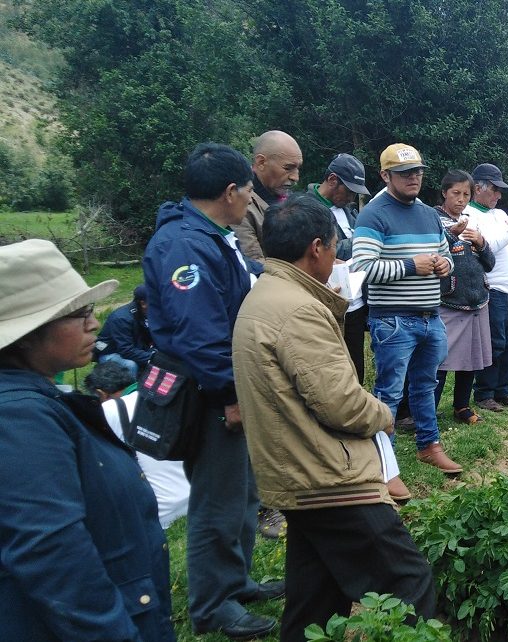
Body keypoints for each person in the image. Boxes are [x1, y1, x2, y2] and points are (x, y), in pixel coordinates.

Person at [234, 194, 436, 641]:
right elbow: (341, 403)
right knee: (408, 581)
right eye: (333, 247)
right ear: (316, 249)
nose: (336, 257)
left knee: (315, 600)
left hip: (296, 471)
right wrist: (382, 414)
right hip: (327, 477)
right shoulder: (299, 310)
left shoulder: (267, 294)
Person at [0, 239, 174, 641]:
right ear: (25, 334)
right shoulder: (19, 418)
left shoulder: (36, 401)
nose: (93, 324)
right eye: (78, 314)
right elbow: (53, 553)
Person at [143, 142, 282, 639]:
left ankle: (236, 580)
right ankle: (213, 604)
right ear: (229, 192)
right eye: (247, 191)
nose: (249, 199)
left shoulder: (212, 235)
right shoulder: (185, 246)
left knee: (242, 491)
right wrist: (231, 396)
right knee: (217, 499)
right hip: (207, 392)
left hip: (228, 383)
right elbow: (200, 336)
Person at [351, 143, 462, 475]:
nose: (413, 178)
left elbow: (448, 256)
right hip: (393, 319)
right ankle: (384, 462)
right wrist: (412, 266)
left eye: (417, 171)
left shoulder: (428, 214)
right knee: (389, 392)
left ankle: (429, 445)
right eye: (404, 173)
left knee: (425, 386)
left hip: (431, 317)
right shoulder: (374, 214)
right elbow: (363, 268)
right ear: (385, 175)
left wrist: (444, 265)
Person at [85, 361, 190, 529]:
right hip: (192, 499)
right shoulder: (164, 397)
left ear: (101, 394)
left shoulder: (109, 409)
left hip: (160, 513)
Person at [433, 170, 495, 424]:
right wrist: (452, 235)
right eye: (455, 193)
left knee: (470, 358)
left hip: (476, 299)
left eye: (466, 194)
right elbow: (433, 253)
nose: (461, 199)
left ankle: (462, 406)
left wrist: (481, 242)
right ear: (444, 193)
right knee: (440, 359)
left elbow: (489, 263)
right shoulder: (433, 221)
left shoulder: (472, 222)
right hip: (449, 300)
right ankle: (428, 411)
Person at [471, 163, 508, 413]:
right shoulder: (469, 216)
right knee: (495, 342)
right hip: (493, 286)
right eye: (494, 190)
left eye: (499, 191)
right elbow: (488, 247)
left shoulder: (501, 215)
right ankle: (484, 392)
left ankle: (504, 390)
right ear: (478, 188)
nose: (498, 195)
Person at [308, 152, 372, 381]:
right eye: (350, 190)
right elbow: (327, 250)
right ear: (332, 180)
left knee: (356, 370)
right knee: (332, 372)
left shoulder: (348, 210)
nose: (352, 196)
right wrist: (361, 243)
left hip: (354, 303)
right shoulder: (307, 209)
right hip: (327, 301)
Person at [233, 130, 304, 262]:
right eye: (288, 168)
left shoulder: (292, 200)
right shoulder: (241, 205)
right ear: (261, 162)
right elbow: (255, 264)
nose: (295, 177)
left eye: (298, 168)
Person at [93, 283, 155, 377]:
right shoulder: (121, 318)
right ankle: (131, 387)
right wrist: (154, 358)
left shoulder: (146, 313)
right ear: (143, 303)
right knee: (130, 365)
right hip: (110, 353)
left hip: (134, 349)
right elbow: (126, 351)